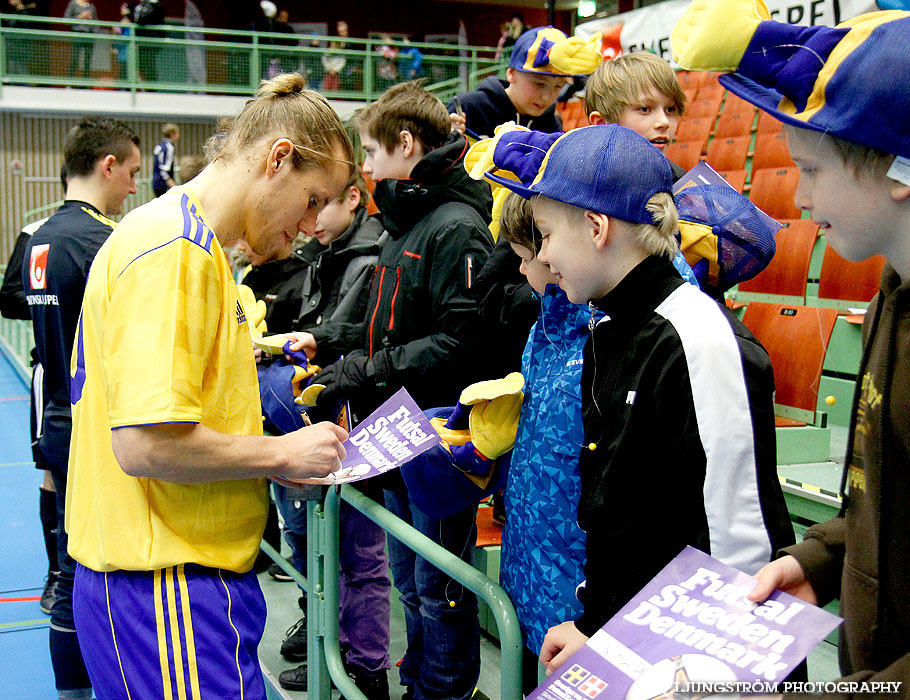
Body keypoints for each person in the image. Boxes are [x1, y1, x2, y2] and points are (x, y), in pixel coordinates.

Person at [64, 74, 352, 700]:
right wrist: (281, 453)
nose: (309, 225)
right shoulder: (176, 250)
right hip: (163, 583)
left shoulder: (191, 246)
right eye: (310, 200)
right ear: (277, 159)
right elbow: (144, 444)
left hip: (170, 580)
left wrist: (265, 461)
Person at [484, 125, 794, 674]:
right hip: (632, 640)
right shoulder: (610, 331)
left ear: (596, 227)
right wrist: (594, 625)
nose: (544, 255)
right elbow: (619, 517)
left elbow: (738, 554)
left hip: (687, 666)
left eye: (548, 234)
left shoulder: (698, 340)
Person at [672, 1, 910, 696]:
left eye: (810, 169)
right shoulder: (893, 293)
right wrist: (823, 557)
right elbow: (888, 496)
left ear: (897, 171)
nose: (797, 197)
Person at [287, 81, 494, 700]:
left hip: (435, 433)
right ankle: (420, 683)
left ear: (407, 144)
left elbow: (458, 344)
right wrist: (324, 343)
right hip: (394, 429)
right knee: (411, 584)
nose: (368, 168)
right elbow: (378, 312)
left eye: (373, 153)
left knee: (441, 589)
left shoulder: (455, 226)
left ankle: (445, 691)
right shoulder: (406, 223)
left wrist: (360, 369)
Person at [23, 117, 140, 700]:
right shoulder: (101, 241)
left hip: (55, 413)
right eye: (133, 173)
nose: (134, 189)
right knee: (85, 571)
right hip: (93, 420)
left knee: (73, 567)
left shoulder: (39, 235)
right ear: (108, 166)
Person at [271, 169, 385, 693]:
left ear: (354, 199)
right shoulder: (328, 254)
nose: (310, 220)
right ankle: (333, 651)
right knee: (322, 546)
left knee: (360, 557)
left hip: (351, 416)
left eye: (321, 205)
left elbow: (351, 336)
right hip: (325, 415)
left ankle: (361, 666)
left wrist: (311, 346)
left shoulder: (367, 259)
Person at [0, 165, 68, 618]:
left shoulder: (112, 235)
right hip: (53, 373)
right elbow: (7, 297)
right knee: (53, 472)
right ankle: (55, 574)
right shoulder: (34, 233)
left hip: (95, 377)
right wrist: (51, 302)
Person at [447, 26, 601, 140]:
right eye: (539, 84)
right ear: (511, 74)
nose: (547, 97)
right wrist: (447, 140)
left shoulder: (552, 126)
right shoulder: (467, 108)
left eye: (558, 86)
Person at [583, 51, 688, 178]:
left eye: (670, 110)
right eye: (645, 109)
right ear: (601, 123)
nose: (664, 122)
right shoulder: (576, 184)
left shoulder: (680, 183)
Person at [64, 0, 98, 79]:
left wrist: (96, 33)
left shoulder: (91, 6)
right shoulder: (73, 3)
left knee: (87, 60)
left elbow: (96, 21)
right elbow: (66, 19)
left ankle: (85, 83)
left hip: (89, 35)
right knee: (75, 58)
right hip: (77, 33)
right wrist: (80, 16)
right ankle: (70, 82)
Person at [152, 123, 180, 197]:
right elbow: (164, 169)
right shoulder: (169, 147)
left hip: (156, 182)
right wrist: (171, 183)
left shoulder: (159, 146)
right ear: (172, 134)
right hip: (164, 185)